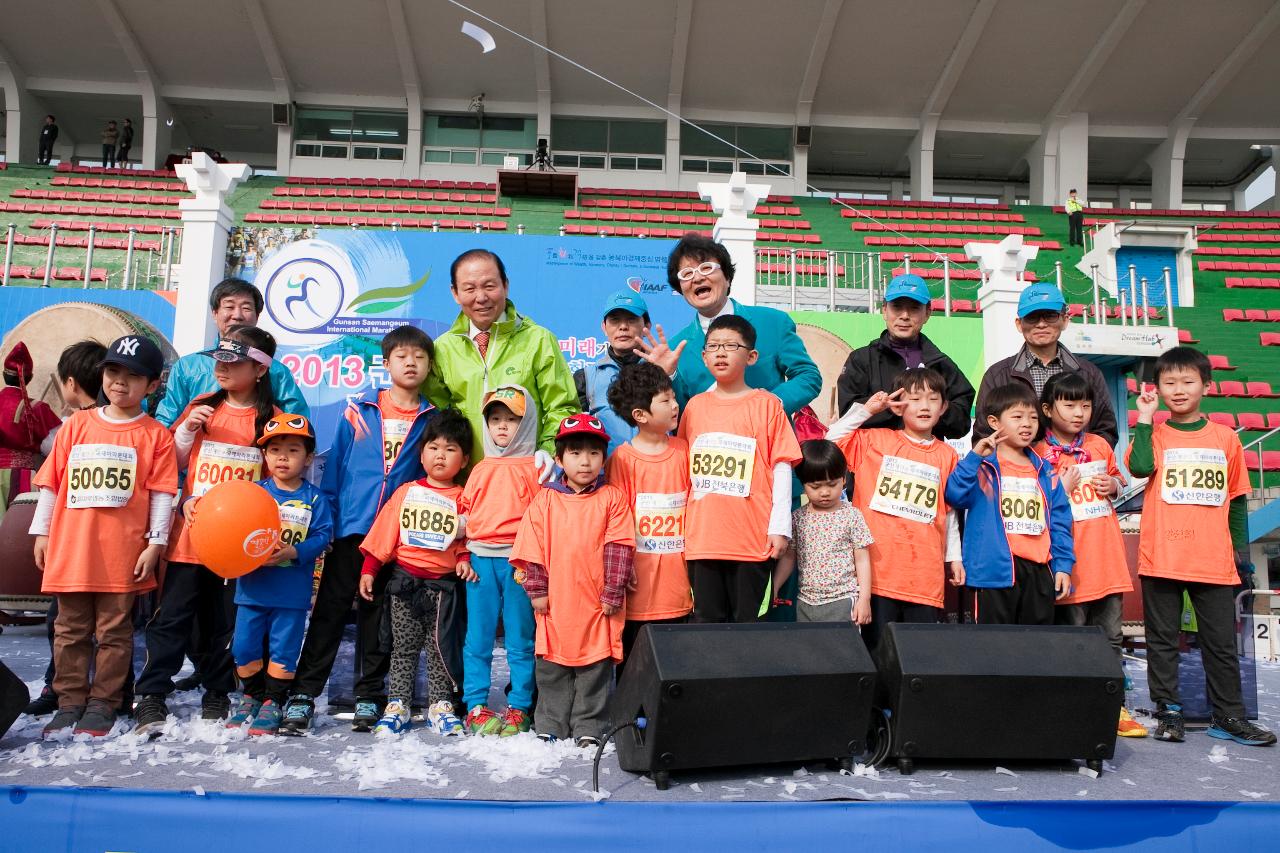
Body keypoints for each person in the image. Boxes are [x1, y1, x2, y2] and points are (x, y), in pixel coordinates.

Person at [282, 325, 438, 735]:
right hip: (351, 530)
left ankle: (370, 694)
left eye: (419, 357)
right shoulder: (359, 409)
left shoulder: (431, 419)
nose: (410, 363)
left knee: (378, 618)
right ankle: (303, 694)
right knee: (330, 612)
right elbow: (334, 470)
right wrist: (330, 520)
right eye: (401, 356)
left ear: (428, 366)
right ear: (385, 364)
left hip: (394, 540)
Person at [28, 335, 177, 738]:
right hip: (72, 548)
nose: (120, 382)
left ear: (152, 385)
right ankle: (69, 701)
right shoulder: (75, 426)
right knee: (69, 629)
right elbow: (52, 485)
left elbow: (163, 493)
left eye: (133, 376)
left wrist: (155, 543)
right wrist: (41, 532)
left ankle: (104, 703)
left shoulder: (155, 435)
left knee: (114, 631)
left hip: (123, 552)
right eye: (113, 371)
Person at [133, 327, 280, 735]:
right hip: (191, 536)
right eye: (219, 359)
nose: (222, 368)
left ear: (260, 369)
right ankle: (152, 695)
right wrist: (185, 432)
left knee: (222, 621)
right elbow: (170, 462)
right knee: (171, 617)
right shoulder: (201, 406)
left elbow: (275, 484)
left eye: (233, 362)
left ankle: (217, 689)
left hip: (237, 546)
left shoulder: (272, 420)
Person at [1126, 347, 1276, 746]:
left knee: (1220, 644)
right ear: (1157, 388)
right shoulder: (1154, 434)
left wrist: (1240, 556)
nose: (1178, 390)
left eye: (1187, 382)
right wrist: (1144, 417)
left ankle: (1228, 716)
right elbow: (1139, 468)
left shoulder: (1226, 439)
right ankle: (1168, 711)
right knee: (1162, 641)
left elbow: (1238, 502)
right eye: (1169, 382)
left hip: (1213, 560)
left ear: (1206, 387)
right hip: (1162, 557)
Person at [1033, 373, 1146, 738]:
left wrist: (1111, 484)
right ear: (1048, 410)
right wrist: (1057, 488)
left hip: (1107, 560)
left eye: (1085, 405)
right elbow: (1030, 504)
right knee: (1073, 637)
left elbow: (1118, 482)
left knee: (1112, 637)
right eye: (1069, 405)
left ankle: (1114, 706)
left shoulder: (1098, 444)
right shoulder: (1036, 451)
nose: (1079, 412)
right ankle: (1072, 703)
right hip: (1068, 564)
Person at [511, 414, 634, 747]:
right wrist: (536, 589)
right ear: (559, 458)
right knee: (552, 668)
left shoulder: (613, 499)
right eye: (576, 453)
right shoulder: (545, 500)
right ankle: (550, 721)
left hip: (596, 604)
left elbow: (620, 546)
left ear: (603, 458)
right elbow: (531, 547)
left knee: (594, 667)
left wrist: (613, 591)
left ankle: (588, 725)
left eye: (594, 453)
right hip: (556, 603)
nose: (585, 461)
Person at [676, 315, 803, 624]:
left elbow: (782, 466)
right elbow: (685, 472)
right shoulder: (694, 407)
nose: (721, 353)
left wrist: (779, 526)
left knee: (748, 632)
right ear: (703, 356)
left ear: (751, 356)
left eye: (731, 346)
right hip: (702, 541)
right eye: (714, 346)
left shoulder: (767, 404)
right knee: (706, 626)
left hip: (751, 541)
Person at [827, 368, 963, 650]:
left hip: (925, 577)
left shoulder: (947, 455)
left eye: (933, 399)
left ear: (944, 407)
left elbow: (948, 512)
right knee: (876, 654)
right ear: (899, 406)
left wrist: (955, 557)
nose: (924, 406)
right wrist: (868, 410)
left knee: (917, 657)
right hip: (877, 576)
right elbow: (828, 443)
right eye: (913, 399)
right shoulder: (872, 441)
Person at [358, 410, 475, 737]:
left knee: (441, 648)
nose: (441, 455)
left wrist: (464, 557)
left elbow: (468, 538)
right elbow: (385, 533)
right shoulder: (406, 492)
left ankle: (441, 704)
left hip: (444, 589)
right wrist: (370, 569)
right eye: (434, 447)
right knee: (404, 648)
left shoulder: (464, 499)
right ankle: (397, 703)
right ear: (421, 454)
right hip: (404, 585)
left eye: (451, 449)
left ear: (464, 459)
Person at [423, 248, 577, 474]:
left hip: (525, 478)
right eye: (469, 288)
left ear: (505, 285)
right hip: (466, 481)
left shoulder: (538, 340)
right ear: (455, 293)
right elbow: (436, 414)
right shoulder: (443, 348)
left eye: (489, 286)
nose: (481, 297)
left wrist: (548, 449)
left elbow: (562, 407)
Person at [226, 414, 332, 737]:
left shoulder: (315, 498)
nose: (282, 457)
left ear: (309, 457)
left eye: (293, 450)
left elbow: (323, 536)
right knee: (243, 647)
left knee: (284, 650)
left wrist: (294, 552)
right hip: (252, 590)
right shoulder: (253, 493)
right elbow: (231, 529)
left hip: (291, 595)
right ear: (264, 455)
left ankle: (273, 700)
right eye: (274, 450)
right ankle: (251, 694)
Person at [638, 234, 821, 417]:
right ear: (680, 289)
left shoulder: (773, 322)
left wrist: (771, 405)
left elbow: (808, 376)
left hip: (768, 440)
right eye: (687, 274)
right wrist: (668, 376)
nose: (698, 278)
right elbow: (681, 413)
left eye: (706, 268)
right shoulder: (675, 349)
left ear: (727, 277)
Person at [25, 340, 109, 718]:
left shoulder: (73, 428)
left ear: (71, 383)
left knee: (66, 621)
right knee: (96, 625)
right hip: (102, 545)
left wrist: (43, 533)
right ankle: (76, 690)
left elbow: (49, 482)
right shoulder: (97, 425)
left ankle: (67, 689)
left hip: (77, 544)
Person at [946, 383, 1073, 625]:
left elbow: (1060, 523)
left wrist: (1063, 565)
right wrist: (974, 457)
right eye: (1017, 417)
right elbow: (954, 495)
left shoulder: (1046, 472)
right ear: (994, 422)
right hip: (994, 572)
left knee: (1035, 648)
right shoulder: (982, 467)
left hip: (1039, 572)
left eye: (1033, 417)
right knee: (994, 649)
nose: (1027, 424)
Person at [458, 386, 540, 737]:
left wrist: (534, 564)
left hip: (519, 564)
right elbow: (463, 516)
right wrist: (462, 552)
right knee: (477, 638)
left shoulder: (536, 468)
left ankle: (520, 705)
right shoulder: (479, 468)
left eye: (512, 419)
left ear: (527, 422)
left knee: (521, 639)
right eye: (495, 419)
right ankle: (475, 704)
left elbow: (544, 520)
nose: (503, 427)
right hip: (479, 562)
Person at [605, 362, 693, 669]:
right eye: (665, 400)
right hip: (636, 591)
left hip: (678, 589)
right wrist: (622, 567)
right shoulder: (622, 460)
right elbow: (616, 520)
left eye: (673, 397)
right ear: (640, 415)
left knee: (674, 668)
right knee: (633, 671)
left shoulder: (684, 451)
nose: (675, 405)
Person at [972, 282, 1117, 447]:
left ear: (1065, 320)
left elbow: (1106, 431)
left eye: (1050, 315)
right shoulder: (997, 375)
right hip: (1019, 471)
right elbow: (983, 435)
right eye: (1032, 317)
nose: (1041, 324)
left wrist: (1077, 460)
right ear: (1019, 324)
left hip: (1078, 470)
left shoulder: (1089, 373)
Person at [835, 273, 974, 440]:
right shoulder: (861, 359)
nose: (905, 315)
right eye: (897, 307)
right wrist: (893, 405)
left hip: (925, 462)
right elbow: (847, 413)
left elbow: (961, 425)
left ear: (927, 313)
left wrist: (929, 407)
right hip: (873, 459)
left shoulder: (941, 364)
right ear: (884, 310)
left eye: (914, 308)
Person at [155, 277, 307, 428]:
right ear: (215, 313)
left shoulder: (276, 371)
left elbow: (296, 426)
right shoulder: (187, 366)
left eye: (246, 308)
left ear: (257, 316)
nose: (237, 315)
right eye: (229, 307)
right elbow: (167, 421)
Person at [771, 440, 873, 625]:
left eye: (832, 484)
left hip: (842, 600)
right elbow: (789, 558)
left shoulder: (852, 515)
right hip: (806, 602)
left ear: (843, 479)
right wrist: (775, 586)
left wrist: (864, 599)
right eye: (816, 487)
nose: (825, 492)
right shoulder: (797, 518)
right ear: (803, 485)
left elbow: (862, 559)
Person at [574, 290, 650, 456]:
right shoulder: (585, 377)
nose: (623, 327)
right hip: (606, 475)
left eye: (631, 319)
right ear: (604, 327)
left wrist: (668, 373)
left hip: (653, 473)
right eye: (615, 320)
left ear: (646, 326)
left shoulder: (664, 371)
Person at [0, 343, 63, 513]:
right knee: (20, 534)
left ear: (4, 374)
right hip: (23, 480)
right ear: (29, 378)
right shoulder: (37, 408)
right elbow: (57, 448)